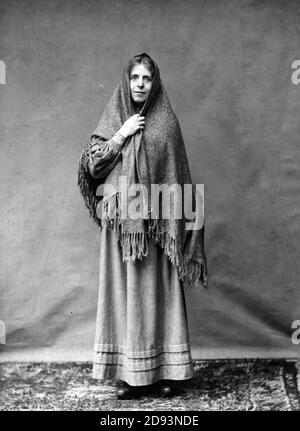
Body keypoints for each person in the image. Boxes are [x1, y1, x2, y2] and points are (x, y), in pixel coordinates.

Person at [77, 53, 207, 399]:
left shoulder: (166, 122)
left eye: (146, 79)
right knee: (125, 297)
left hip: (157, 226)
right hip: (122, 228)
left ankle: (167, 371)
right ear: (126, 80)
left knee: (157, 295)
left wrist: (176, 222)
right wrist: (121, 134)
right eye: (134, 77)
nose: (139, 84)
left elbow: (177, 176)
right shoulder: (115, 116)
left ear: (154, 83)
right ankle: (128, 375)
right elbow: (93, 168)